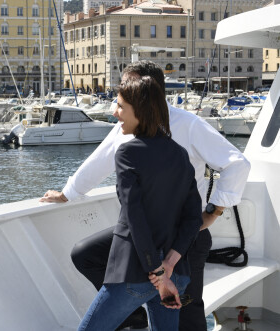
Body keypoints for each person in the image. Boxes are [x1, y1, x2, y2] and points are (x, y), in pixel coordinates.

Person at [41, 60, 251, 331]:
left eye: (127, 94)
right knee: (85, 255)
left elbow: (237, 164)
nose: (117, 109)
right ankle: (132, 315)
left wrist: (213, 212)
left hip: (185, 237)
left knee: (188, 318)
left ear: (145, 94)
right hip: (149, 238)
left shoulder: (188, 125)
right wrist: (68, 193)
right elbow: (100, 160)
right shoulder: (130, 128)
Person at [76, 75, 203, 330]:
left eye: (121, 106)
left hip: (134, 275)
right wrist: (168, 267)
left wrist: (156, 273)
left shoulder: (127, 152)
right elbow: (193, 218)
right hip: (175, 274)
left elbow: (135, 216)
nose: (115, 112)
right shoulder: (180, 155)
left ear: (141, 110)